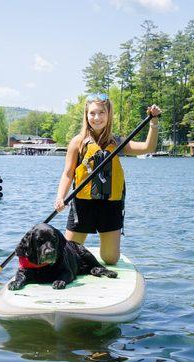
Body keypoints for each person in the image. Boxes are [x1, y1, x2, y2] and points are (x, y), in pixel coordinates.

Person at [54, 93, 161, 265]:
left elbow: (148, 147)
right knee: (68, 257)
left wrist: (153, 122)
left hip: (110, 205)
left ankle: (96, 256)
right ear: (86, 115)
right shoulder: (78, 142)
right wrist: (60, 197)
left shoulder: (117, 141)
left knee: (110, 260)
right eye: (92, 113)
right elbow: (68, 173)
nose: (97, 117)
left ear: (108, 114)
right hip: (83, 205)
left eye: (101, 113)